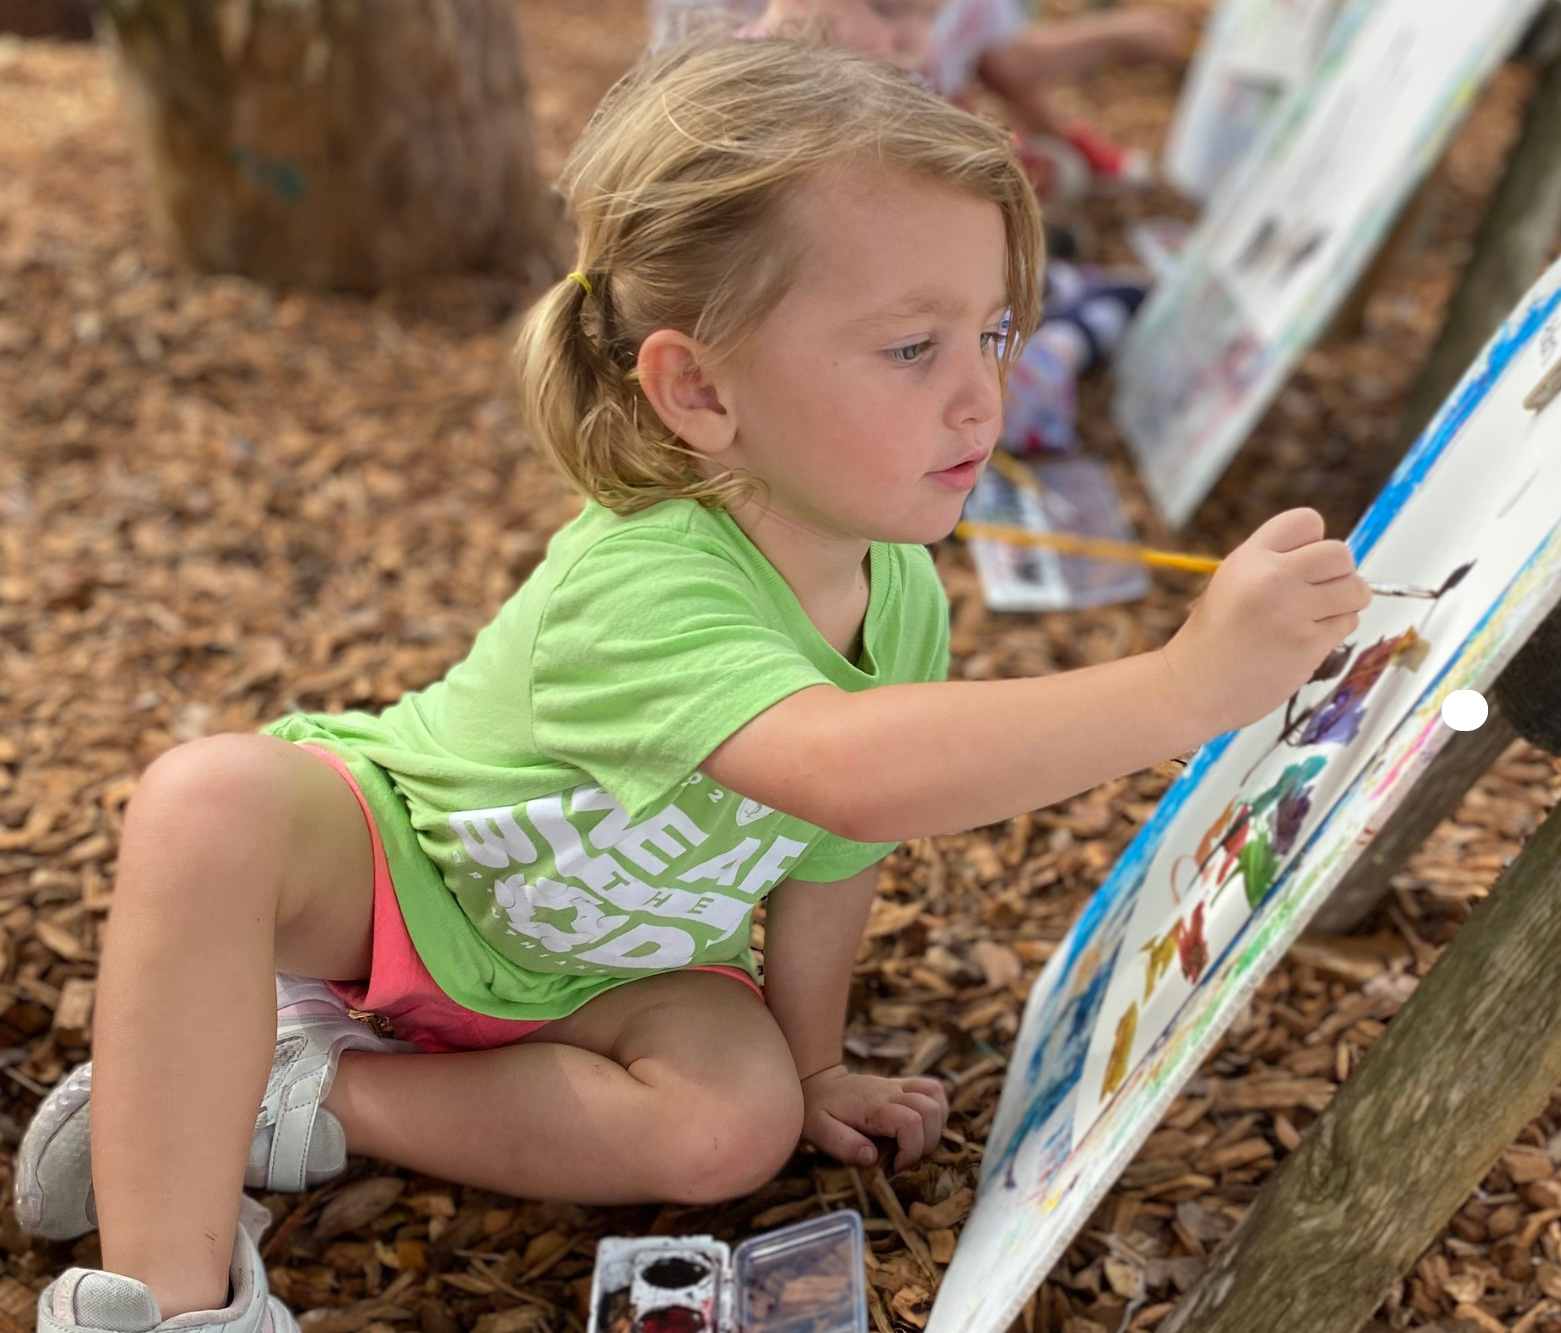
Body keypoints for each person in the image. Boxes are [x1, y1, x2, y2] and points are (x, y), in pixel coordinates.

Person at [19, 35, 1368, 1333]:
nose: (982, 396)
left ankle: (290, 1090)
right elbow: (841, 764)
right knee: (211, 802)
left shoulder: (894, 590)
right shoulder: (650, 575)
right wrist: (1189, 685)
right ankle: (171, 1290)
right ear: (701, 391)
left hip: (615, 969)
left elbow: (837, 848)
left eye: (997, 330)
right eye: (914, 348)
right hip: (404, 881)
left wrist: (820, 1060)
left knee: (735, 1127)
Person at [647, 0, 1188, 196]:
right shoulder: (738, 96)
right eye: (885, 7)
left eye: (929, 16)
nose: (914, 39)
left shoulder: (879, 87)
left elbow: (1000, 57)